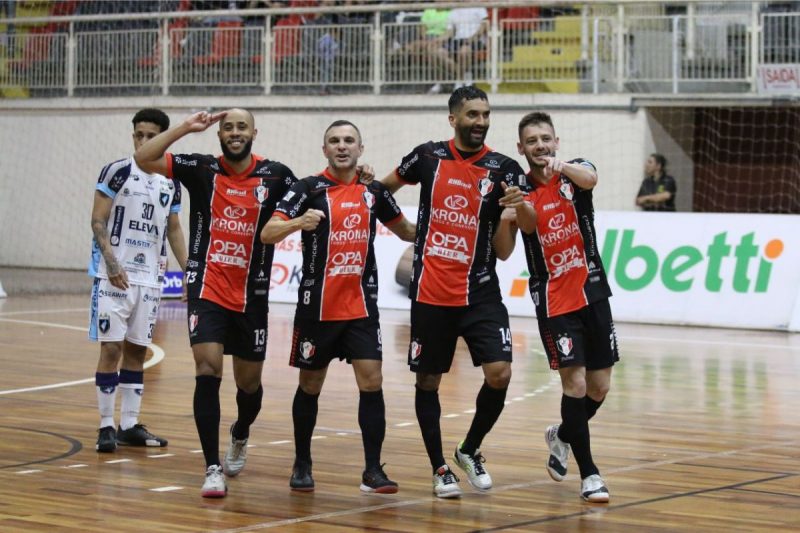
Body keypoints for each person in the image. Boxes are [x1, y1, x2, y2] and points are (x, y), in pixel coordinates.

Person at [381, 86, 536, 498]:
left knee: (500, 373)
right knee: (428, 381)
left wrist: (512, 212)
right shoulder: (427, 156)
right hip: (430, 293)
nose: (481, 121)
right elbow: (380, 191)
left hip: (481, 293)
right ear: (453, 119)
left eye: (485, 114)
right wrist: (402, 228)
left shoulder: (505, 170)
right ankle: (439, 468)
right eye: (472, 114)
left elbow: (504, 253)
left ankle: (469, 449)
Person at [134, 108, 297, 498]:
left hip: (252, 294)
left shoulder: (276, 175)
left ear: (254, 132)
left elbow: (315, 193)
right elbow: (144, 158)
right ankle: (211, 467)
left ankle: (240, 432)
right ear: (219, 133)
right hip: (207, 287)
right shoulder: (201, 168)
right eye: (228, 127)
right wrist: (185, 128)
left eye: (242, 126)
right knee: (207, 368)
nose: (235, 132)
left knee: (249, 384)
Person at [261, 120, 416, 495]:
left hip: (362, 308)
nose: (342, 146)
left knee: (373, 381)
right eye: (334, 141)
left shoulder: (373, 191)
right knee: (310, 385)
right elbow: (268, 232)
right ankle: (302, 461)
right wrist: (299, 222)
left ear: (361, 149)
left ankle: (373, 470)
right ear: (324, 149)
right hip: (318, 309)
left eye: (349, 141)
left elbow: (407, 231)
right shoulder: (307, 189)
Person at [496, 111, 619, 503]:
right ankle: (591, 475)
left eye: (545, 138)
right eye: (531, 141)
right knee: (576, 384)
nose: (540, 146)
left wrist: (561, 166)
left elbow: (591, 177)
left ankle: (562, 434)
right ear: (521, 148)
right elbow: (521, 233)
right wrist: (511, 211)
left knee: (599, 388)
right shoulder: (520, 189)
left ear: (556, 141)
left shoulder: (575, 171)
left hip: (593, 294)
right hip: (554, 302)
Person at [89, 108, 187, 454]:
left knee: (137, 350)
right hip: (114, 276)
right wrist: (112, 263)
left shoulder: (171, 181)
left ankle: (128, 425)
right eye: (138, 135)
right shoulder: (117, 170)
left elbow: (173, 229)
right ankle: (105, 427)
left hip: (151, 279)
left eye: (150, 136)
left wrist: (187, 272)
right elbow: (98, 220)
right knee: (111, 348)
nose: (143, 141)